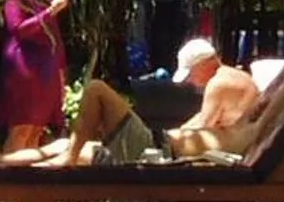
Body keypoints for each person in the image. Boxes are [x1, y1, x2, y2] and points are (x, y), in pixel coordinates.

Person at [43, 36, 265, 168]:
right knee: (80, 149)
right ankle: (12, 165)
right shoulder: (241, 80)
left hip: (158, 150)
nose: (191, 82)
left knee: (96, 89)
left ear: (203, 65)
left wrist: (173, 135)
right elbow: (201, 125)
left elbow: (203, 127)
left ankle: (67, 160)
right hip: (162, 144)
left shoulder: (219, 84)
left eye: (191, 75)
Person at [0, 0, 69, 153]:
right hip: (23, 66)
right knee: (22, 127)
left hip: (46, 69)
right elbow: (18, 29)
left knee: (37, 129)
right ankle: (9, 177)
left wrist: (61, 71)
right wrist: (49, 12)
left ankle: (26, 177)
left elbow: (55, 37)